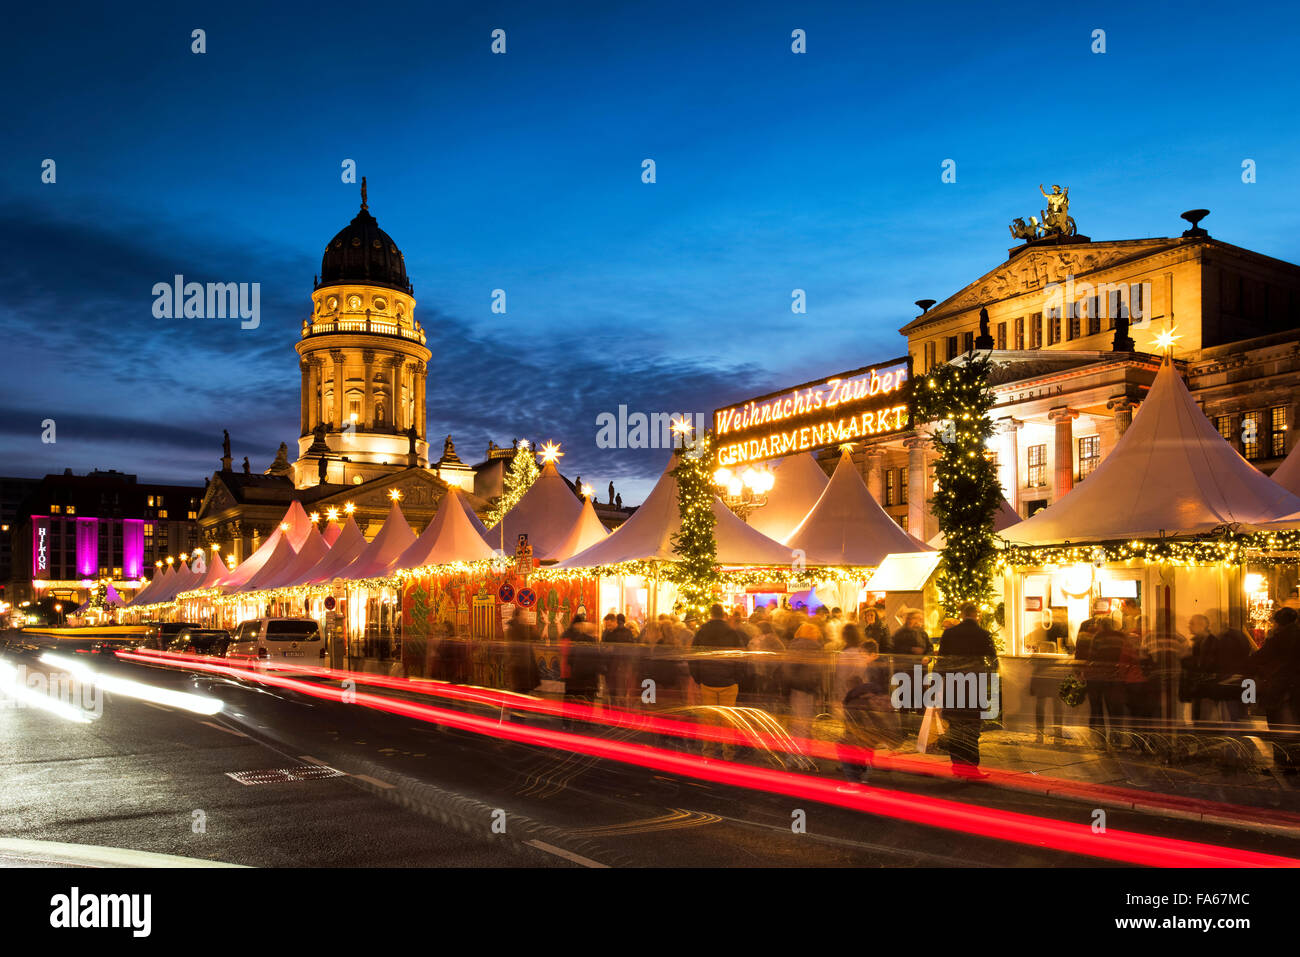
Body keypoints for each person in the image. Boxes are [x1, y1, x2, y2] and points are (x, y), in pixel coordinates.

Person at [936, 603, 997, 778]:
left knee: (955, 726)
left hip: (952, 686)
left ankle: (957, 765)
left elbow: (941, 660)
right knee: (971, 727)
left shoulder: (949, 634)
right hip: (973, 686)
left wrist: (937, 685)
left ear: (962, 615)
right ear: (976, 614)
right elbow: (993, 661)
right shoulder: (983, 634)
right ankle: (971, 766)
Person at [687, 604, 748, 760]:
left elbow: (693, 657)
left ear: (711, 615)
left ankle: (708, 753)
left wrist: (698, 677)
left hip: (707, 682)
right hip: (728, 682)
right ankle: (728, 753)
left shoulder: (701, 632)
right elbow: (741, 657)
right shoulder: (732, 633)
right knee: (728, 720)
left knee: (708, 719)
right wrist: (737, 678)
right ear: (723, 615)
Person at [838, 638, 901, 783]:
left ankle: (857, 774)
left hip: (869, 706)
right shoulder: (880, 665)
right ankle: (865, 769)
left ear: (871, 654)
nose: (861, 657)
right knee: (868, 741)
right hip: (876, 706)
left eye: (863, 654)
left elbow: (870, 687)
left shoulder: (870, 668)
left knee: (853, 741)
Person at [1248, 606, 1300, 770]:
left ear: (1279, 623)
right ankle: (1293, 759)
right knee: (1293, 725)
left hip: (1279, 688)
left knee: (1278, 726)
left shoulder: (1279, 639)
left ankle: (1283, 762)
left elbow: (1260, 658)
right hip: (1295, 687)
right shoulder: (1296, 635)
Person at [783, 623, 826, 761]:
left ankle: (792, 757)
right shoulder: (817, 647)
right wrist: (820, 692)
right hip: (809, 690)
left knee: (796, 724)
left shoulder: (792, 645)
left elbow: (787, 669)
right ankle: (803, 759)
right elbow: (820, 673)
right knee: (805, 725)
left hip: (795, 689)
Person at [561, 614, 604, 728]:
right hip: (588, 677)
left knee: (571, 698)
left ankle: (569, 722)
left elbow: (569, 658)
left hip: (574, 674)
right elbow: (597, 659)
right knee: (588, 699)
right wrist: (601, 670)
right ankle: (584, 722)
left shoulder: (573, 638)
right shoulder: (592, 641)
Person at [602, 613, 639, 709]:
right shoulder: (612, 633)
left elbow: (628, 650)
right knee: (617, 693)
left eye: (609, 625)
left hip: (619, 668)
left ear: (615, 622)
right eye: (606, 625)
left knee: (618, 693)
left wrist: (610, 650)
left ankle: (617, 713)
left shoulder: (619, 633)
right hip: (614, 668)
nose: (608, 627)